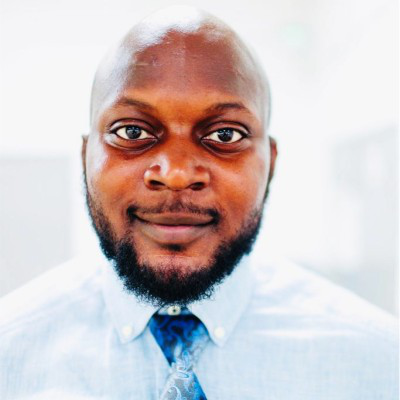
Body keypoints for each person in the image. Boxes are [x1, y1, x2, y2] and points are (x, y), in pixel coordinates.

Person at [0, 6, 397, 400]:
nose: (176, 173)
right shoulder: (11, 351)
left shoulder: (379, 364)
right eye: (132, 131)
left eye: (225, 135)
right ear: (86, 157)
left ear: (271, 163)